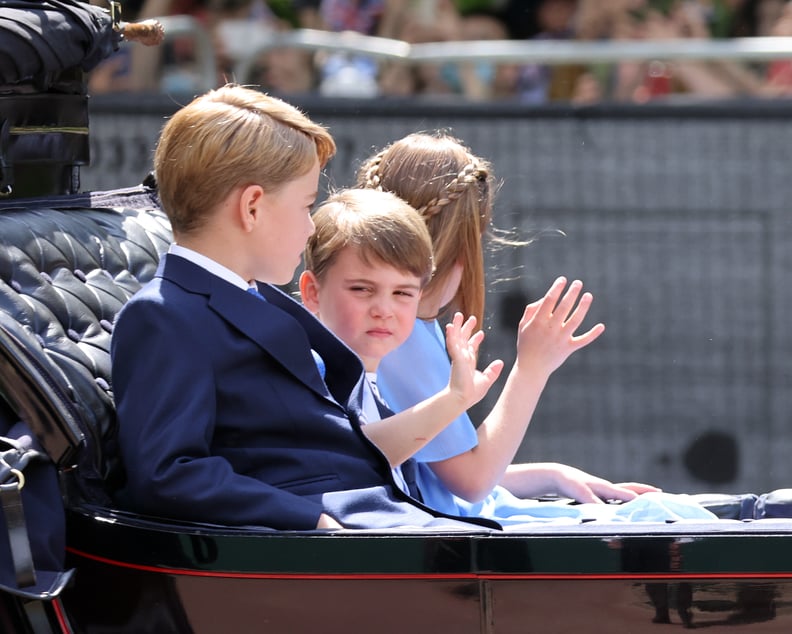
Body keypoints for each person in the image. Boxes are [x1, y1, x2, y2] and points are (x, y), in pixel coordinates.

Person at [110, 85, 502, 532]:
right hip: (323, 545)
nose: (311, 224)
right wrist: (310, 520)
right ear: (252, 207)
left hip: (375, 520)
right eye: (305, 205)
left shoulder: (255, 298)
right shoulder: (165, 316)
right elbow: (169, 473)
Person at [357, 131, 716, 524]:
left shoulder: (397, 330)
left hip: (460, 522)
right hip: (457, 540)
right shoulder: (399, 337)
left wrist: (551, 475)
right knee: (668, 519)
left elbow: (440, 471)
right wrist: (531, 368)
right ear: (452, 249)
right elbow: (472, 481)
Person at [300, 188, 504, 477]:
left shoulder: (372, 382)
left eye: (402, 293)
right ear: (312, 292)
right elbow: (353, 456)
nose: (384, 309)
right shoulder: (308, 372)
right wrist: (454, 398)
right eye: (361, 289)